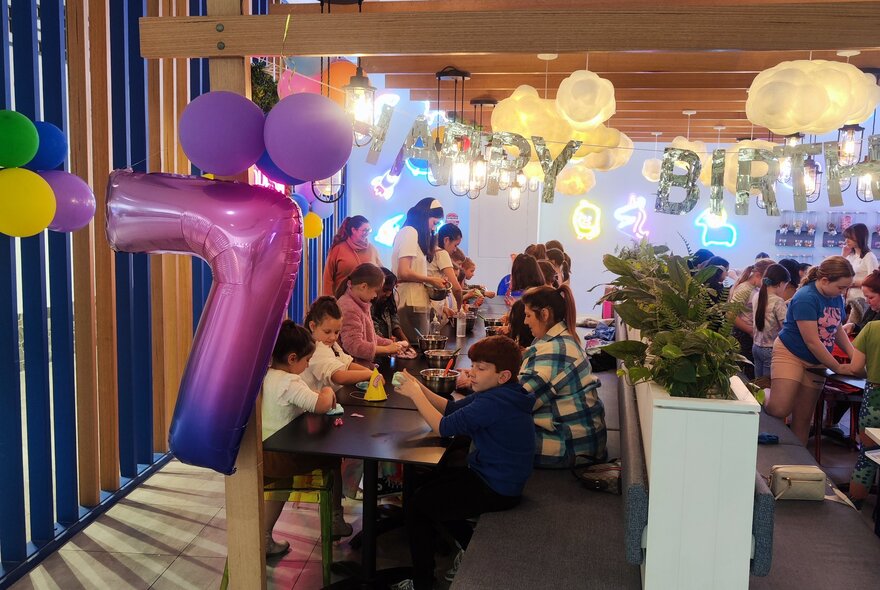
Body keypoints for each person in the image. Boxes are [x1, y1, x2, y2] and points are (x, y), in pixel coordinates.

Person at [392, 336, 536, 590]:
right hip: (498, 477)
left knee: (418, 506)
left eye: (481, 369)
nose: (472, 373)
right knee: (429, 486)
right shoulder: (502, 393)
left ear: (502, 376)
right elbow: (450, 409)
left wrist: (416, 396)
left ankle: (422, 582)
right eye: (473, 366)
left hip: (497, 487)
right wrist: (419, 385)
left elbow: (443, 427)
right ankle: (467, 545)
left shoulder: (493, 402)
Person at [261, 321, 353, 556]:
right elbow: (321, 404)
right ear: (292, 359)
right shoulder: (289, 381)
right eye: (306, 360)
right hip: (282, 458)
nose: (308, 364)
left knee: (280, 487)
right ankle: (335, 519)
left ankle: (264, 537)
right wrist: (328, 390)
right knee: (332, 459)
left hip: (266, 452)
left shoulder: (267, 375)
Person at [766, 256, 855, 444]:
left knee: (804, 417)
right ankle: (762, 394)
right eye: (841, 287)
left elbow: (837, 328)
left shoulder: (835, 297)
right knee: (780, 409)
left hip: (817, 359)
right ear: (824, 280)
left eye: (846, 288)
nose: (844, 292)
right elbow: (812, 341)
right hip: (791, 353)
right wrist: (837, 367)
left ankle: (798, 463)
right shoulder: (806, 297)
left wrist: (854, 356)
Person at [519, 285, 607, 467]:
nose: (525, 322)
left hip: (570, 447)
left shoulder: (556, 350)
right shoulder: (559, 339)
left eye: (528, 315)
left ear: (544, 314)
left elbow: (517, 402)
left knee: (484, 438)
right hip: (581, 441)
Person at [836, 274, 880, 508]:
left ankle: (856, 501)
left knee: (868, 454)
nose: (868, 302)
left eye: (871, 297)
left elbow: (855, 368)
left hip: (874, 399)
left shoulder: (871, 329)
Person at [391, 198, 447, 342]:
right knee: (416, 349)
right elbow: (403, 271)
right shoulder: (410, 232)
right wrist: (431, 280)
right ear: (424, 216)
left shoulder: (410, 233)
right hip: (410, 301)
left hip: (414, 300)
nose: (434, 228)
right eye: (434, 223)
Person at [336, 263, 407, 366]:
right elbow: (353, 345)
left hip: (363, 365)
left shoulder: (361, 303)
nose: (375, 296)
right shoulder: (348, 307)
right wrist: (386, 349)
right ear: (364, 286)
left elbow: (371, 337)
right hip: (352, 367)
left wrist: (391, 344)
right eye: (375, 291)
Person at [302, 295, 376, 392]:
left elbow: (347, 364)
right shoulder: (314, 351)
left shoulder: (330, 345)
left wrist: (371, 372)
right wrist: (370, 375)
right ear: (312, 326)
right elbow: (339, 376)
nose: (333, 337)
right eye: (327, 332)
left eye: (337, 332)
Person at [728, 258, 775, 379]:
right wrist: (750, 330)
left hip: (749, 335)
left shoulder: (755, 289)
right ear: (758, 275)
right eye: (768, 280)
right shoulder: (744, 289)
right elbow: (730, 314)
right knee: (746, 374)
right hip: (742, 336)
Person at [322, 215, 382, 297]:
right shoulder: (338, 249)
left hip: (367, 303)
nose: (367, 233)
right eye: (364, 230)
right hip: (341, 301)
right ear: (353, 230)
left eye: (369, 230)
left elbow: (381, 273)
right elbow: (328, 278)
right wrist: (329, 301)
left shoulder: (372, 249)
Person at [751, 264, 791, 379]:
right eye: (786, 285)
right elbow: (785, 327)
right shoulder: (778, 301)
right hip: (770, 348)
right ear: (780, 284)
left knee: (758, 385)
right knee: (768, 386)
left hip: (756, 346)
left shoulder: (757, 296)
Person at [428, 223, 465, 313]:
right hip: (434, 307)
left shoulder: (430, 251)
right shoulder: (442, 253)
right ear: (446, 240)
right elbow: (456, 289)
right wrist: (459, 309)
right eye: (455, 245)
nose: (455, 249)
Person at [842, 222, 879, 304]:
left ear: (860, 238)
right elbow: (840, 272)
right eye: (846, 237)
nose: (846, 241)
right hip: (848, 300)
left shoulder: (869, 257)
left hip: (862, 301)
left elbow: (874, 282)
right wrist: (843, 256)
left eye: (850, 238)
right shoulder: (850, 255)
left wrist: (851, 283)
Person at [372, 267, 407, 342]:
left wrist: (406, 342)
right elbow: (374, 333)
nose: (388, 294)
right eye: (385, 290)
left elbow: (395, 323)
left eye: (390, 290)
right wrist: (390, 345)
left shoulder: (389, 301)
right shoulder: (368, 306)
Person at [845, 269, 880, 336]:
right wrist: (853, 327)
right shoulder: (873, 309)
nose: (867, 301)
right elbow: (864, 328)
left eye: (870, 297)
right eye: (865, 297)